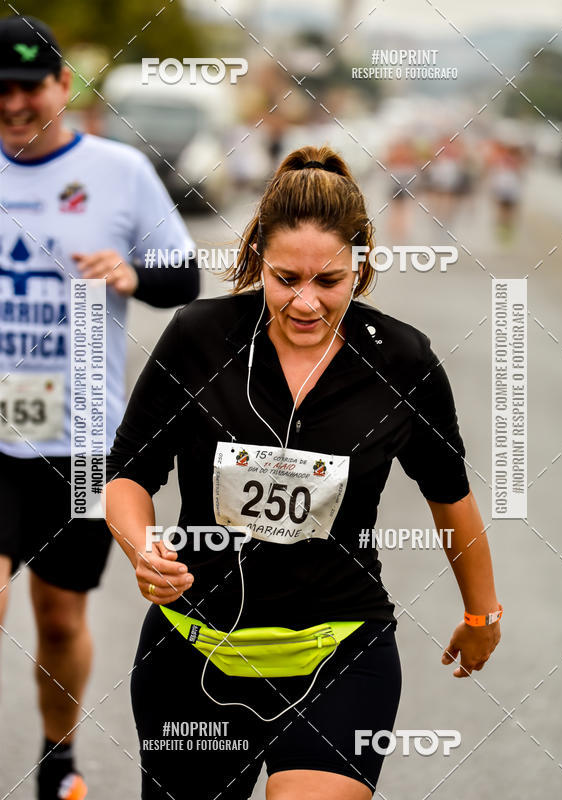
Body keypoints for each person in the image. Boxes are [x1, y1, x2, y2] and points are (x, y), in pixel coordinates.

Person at [104, 145, 502, 800]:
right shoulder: (199, 338)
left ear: (361, 265)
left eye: (329, 281)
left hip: (340, 650)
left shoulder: (402, 361)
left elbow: (449, 494)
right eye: (286, 278)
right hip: (192, 652)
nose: (307, 303)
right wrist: (141, 546)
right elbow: (128, 471)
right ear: (257, 256)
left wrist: (482, 614)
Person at [0, 14, 199, 800]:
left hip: (82, 440)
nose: (13, 104)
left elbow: (183, 278)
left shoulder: (119, 172)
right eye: (0, 92)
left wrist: (130, 274)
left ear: (61, 86)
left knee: (57, 617)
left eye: (27, 88)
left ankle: (59, 761)